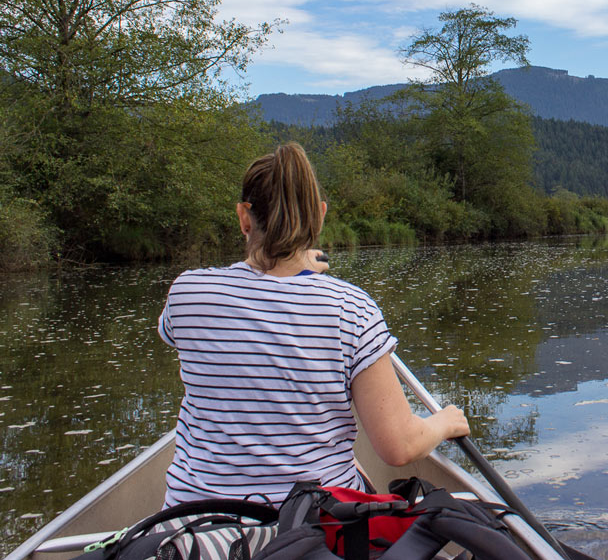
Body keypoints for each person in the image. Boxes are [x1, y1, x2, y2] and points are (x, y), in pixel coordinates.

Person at [158, 142, 470, 505]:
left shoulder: (188, 292)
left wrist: (286, 267)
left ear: (244, 217)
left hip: (196, 528)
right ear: (319, 216)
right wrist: (444, 421)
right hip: (311, 531)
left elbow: (247, 300)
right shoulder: (352, 309)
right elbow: (399, 446)